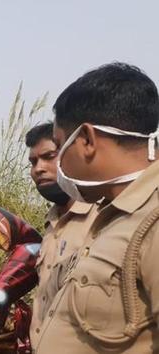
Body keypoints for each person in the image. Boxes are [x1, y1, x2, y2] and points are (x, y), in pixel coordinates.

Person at [35, 62, 159, 353]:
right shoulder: (115, 215)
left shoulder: (151, 218)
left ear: (87, 140)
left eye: (59, 145)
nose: (56, 166)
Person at [24, 122, 98, 345]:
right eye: (33, 161)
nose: (38, 168)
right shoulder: (51, 225)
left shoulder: (101, 218)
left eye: (49, 156)